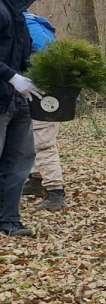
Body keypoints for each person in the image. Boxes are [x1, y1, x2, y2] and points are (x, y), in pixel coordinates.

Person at [0, 0, 45, 237]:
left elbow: (23, 56)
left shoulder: (18, 18)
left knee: (19, 160)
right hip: (2, 97)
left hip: (18, 101)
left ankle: (9, 219)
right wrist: (11, 77)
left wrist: (43, 75)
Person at [19, 11, 65, 211]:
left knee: (43, 142)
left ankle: (55, 192)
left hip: (46, 94)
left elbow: (50, 60)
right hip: (33, 92)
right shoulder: (27, 23)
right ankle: (36, 180)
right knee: (30, 137)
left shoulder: (31, 27)